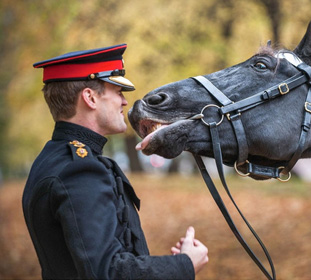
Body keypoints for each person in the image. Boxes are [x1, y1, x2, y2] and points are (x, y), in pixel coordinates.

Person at [22, 44, 208, 279]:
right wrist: (184, 265)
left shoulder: (54, 158)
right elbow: (108, 272)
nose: (123, 102)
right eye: (118, 92)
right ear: (90, 98)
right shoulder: (79, 171)